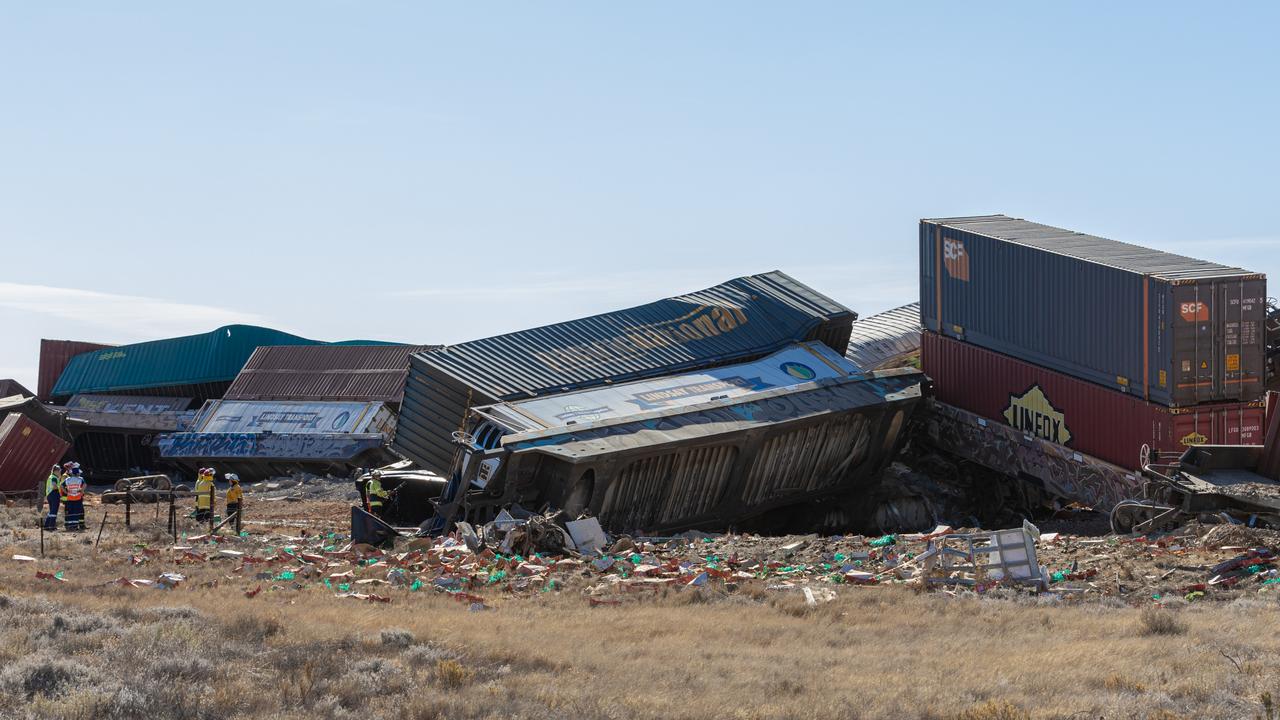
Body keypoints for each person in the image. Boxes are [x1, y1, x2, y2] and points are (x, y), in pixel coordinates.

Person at [63, 465, 86, 531]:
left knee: (70, 512)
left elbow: (62, 486)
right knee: (76, 512)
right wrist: (81, 492)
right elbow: (85, 485)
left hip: (70, 498)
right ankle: (75, 526)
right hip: (77, 498)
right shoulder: (80, 479)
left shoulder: (67, 479)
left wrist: (66, 492)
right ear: (77, 473)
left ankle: (69, 526)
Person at [43, 465, 63, 531]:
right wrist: (59, 486)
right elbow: (54, 486)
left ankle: (46, 526)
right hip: (54, 494)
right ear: (56, 471)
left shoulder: (51, 477)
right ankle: (52, 526)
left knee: (51, 511)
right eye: (59, 471)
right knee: (54, 511)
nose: (60, 472)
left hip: (49, 495)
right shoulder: (54, 478)